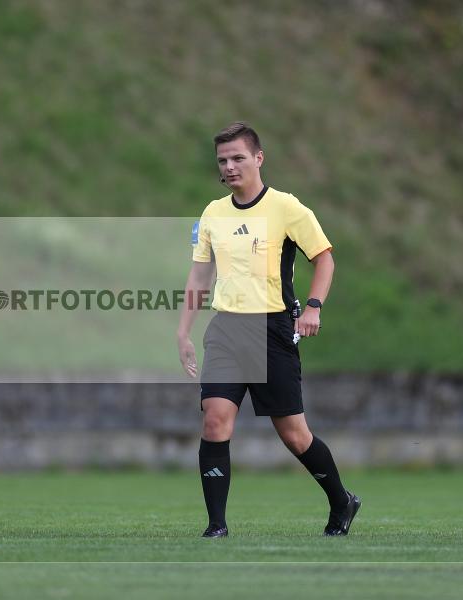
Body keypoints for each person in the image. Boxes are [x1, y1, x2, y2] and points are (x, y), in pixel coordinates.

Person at [176, 122, 360, 538]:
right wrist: (183, 331)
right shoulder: (212, 213)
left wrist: (313, 307)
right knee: (215, 421)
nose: (230, 166)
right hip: (225, 330)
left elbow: (325, 259)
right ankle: (216, 527)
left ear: (259, 158)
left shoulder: (287, 208)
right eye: (223, 160)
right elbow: (199, 276)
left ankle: (341, 500)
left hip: (272, 330)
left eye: (238, 157)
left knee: (294, 435)